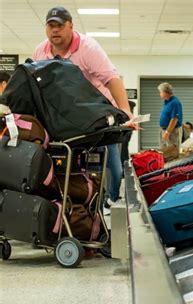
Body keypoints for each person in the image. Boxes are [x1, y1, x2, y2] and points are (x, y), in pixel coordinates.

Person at [32, 6, 134, 215]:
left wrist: (125, 110)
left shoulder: (87, 47)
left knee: (112, 165)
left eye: (60, 25)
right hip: (65, 116)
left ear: (71, 26)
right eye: (51, 26)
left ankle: (110, 201)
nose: (55, 30)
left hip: (96, 113)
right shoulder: (41, 51)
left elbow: (111, 78)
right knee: (68, 164)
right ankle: (74, 206)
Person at [158, 82, 183, 150]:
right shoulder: (167, 102)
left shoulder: (175, 102)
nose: (159, 94)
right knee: (163, 151)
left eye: (160, 92)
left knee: (172, 152)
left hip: (172, 131)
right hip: (163, 129)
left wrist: (167, 132)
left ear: (165, 92)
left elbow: (174, 119)